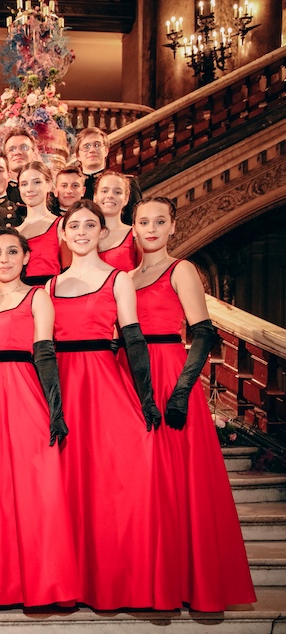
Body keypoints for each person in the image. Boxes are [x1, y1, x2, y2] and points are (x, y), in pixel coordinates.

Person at [128, 197, 255, 611]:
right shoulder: (124, 278)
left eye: (159, 222)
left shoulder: (181, 270)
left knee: (177, 479)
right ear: (133, 228)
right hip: (130, 375)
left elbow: (203, 333)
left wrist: (182, 390)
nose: (151, 229)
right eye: (143, 222)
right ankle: (146, 577)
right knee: (143, 483)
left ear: (173, 227)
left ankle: (184, 581)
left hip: (168, 373)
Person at [49, 200, 162, 610]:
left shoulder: (118, 280)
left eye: (89, 225)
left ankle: (112, 582)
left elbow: (133, 339)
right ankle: (67, 581)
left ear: (102, 232)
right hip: (60, 385)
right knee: (62, 485)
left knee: (108, 483)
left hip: (102, 384)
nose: (81, 232)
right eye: (73, 225)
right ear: (63, 233)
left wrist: (146, 397)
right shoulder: (49, 285)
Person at [0, 227, 80, 607]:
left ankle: (43, 583)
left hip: (24, 393)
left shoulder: (38, 298)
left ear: (27, 257)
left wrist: (55, 408)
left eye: (12, 252)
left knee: (35, 486)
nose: (4, 259)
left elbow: (45, 354)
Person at [74, 126, 142, 224]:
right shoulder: (71, 187)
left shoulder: (128, 183)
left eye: (97, 145)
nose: (92, 150)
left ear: (106, 151)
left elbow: (136, 221)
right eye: (86, 146)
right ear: (78, 155)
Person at [14, 161, 62, 286]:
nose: (30, 189)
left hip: (51, 296)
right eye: (24, 184)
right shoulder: (15, 232)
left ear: (49, 185)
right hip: (20, 299)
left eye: (37, 182)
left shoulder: (60, 225)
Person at [92, 171, 139, 272]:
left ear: (126, 199)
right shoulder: (83, 234)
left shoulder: (136, 235)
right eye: (104, 191)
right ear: (95, 196)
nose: (110, 196)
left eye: (117, 192)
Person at [2, 127, 38, 203]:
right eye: (12, 149)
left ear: (34, 154)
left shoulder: (45, 193)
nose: (18, 152)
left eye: (24, 147)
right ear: (5, 157)